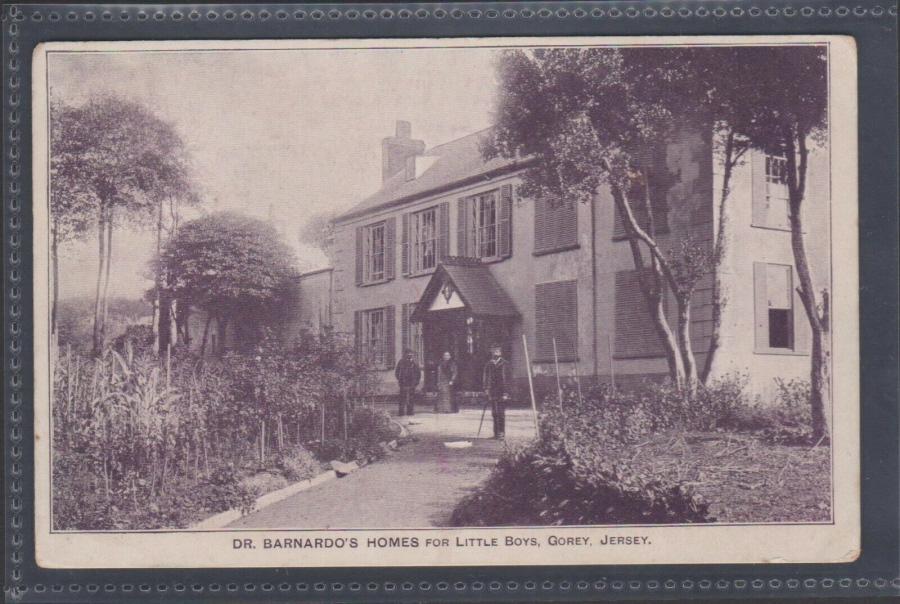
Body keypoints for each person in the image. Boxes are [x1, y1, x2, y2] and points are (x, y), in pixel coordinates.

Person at [482, 344, 511, 439]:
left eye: (497, 351)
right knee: (494, 413)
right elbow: (486, 378)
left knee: (501, 413)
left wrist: (506, 393)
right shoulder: (488, 364)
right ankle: (496, 433)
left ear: (500, 353)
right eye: (494, 351)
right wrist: (486, 389)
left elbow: (507, 379)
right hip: (492, 391)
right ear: (492, 352)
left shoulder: (505, 364)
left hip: (501, 391)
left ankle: (502, 433)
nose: (495, 353)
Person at [394, 348, 421, 416]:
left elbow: (418, 373)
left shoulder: (414, 363)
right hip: (403, 382)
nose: (410, 355)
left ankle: (410, 412)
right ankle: (401, 412)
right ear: (405, 355)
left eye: (411, 354)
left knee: (411, 397)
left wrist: (416, 382)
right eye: (408, 354)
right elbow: (397, 372)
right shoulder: (401, 362)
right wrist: (400, 380)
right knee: (402, 397)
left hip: (412, 382)